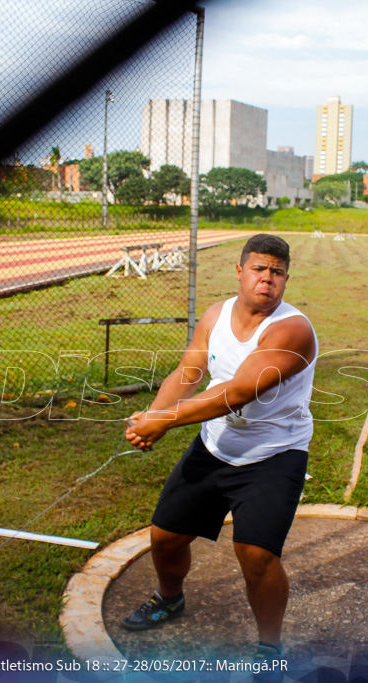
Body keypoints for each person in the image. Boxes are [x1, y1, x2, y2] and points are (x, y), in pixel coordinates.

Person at [121, 234, 318, 668]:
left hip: (274, 454)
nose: (267, 280)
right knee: (165, 537)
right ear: (240, 271)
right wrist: (151, 418)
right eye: (259, 269)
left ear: (286, 278)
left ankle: (270, 650)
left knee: (257, 556)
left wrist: (166, 421)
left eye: (277, 272)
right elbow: (189, 372)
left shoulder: (292, 329)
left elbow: (240, 390)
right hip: (215, 445)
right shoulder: (216, 315)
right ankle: (170, 600)